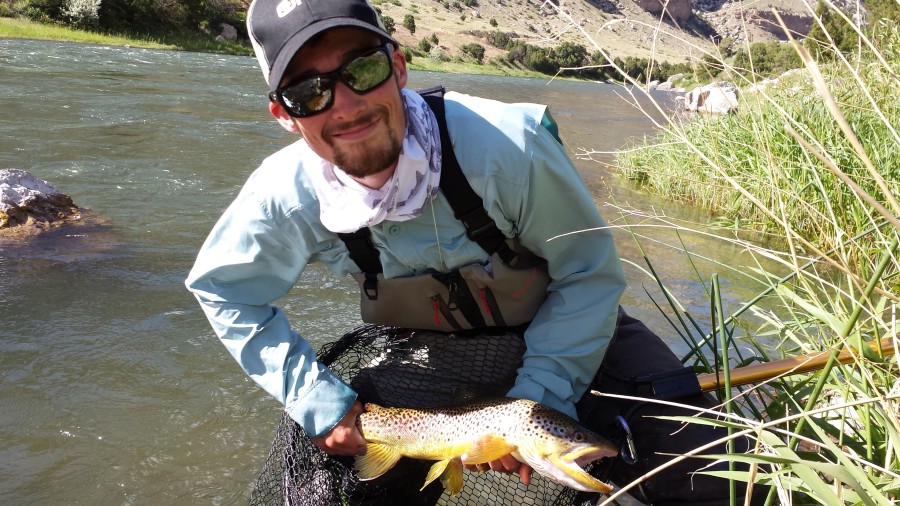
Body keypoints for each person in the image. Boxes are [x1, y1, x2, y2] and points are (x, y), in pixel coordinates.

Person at [185, 0, 762, 504]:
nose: (346, 105)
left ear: (399, 66)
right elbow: (224, 290)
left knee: (707, 466)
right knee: (363, 489)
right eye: (309, 91)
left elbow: (588, 279)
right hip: (433, 357)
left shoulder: (512, 146)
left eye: (362, 68)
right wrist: (316, 399)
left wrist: (533, 401)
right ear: (283, 115)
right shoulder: (282, 197)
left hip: (570, 325)